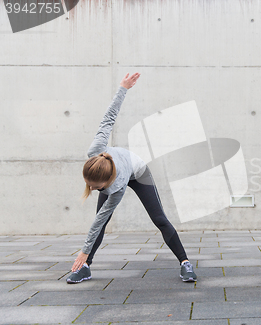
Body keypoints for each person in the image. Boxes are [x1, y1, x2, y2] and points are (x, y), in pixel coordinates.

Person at [66, 73, 197, 284]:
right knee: (102, 221)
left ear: (107, 184)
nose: (91, 188)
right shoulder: (95, 149)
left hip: (138, 171)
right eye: (89, 184)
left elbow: (97, 221)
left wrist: (83, 250)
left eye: (96, 187)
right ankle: (86, 268)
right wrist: (123, 88)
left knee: (159, 219)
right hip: (115, 168)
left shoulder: (116, 189)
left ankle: (185, 263)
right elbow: (109, 118)